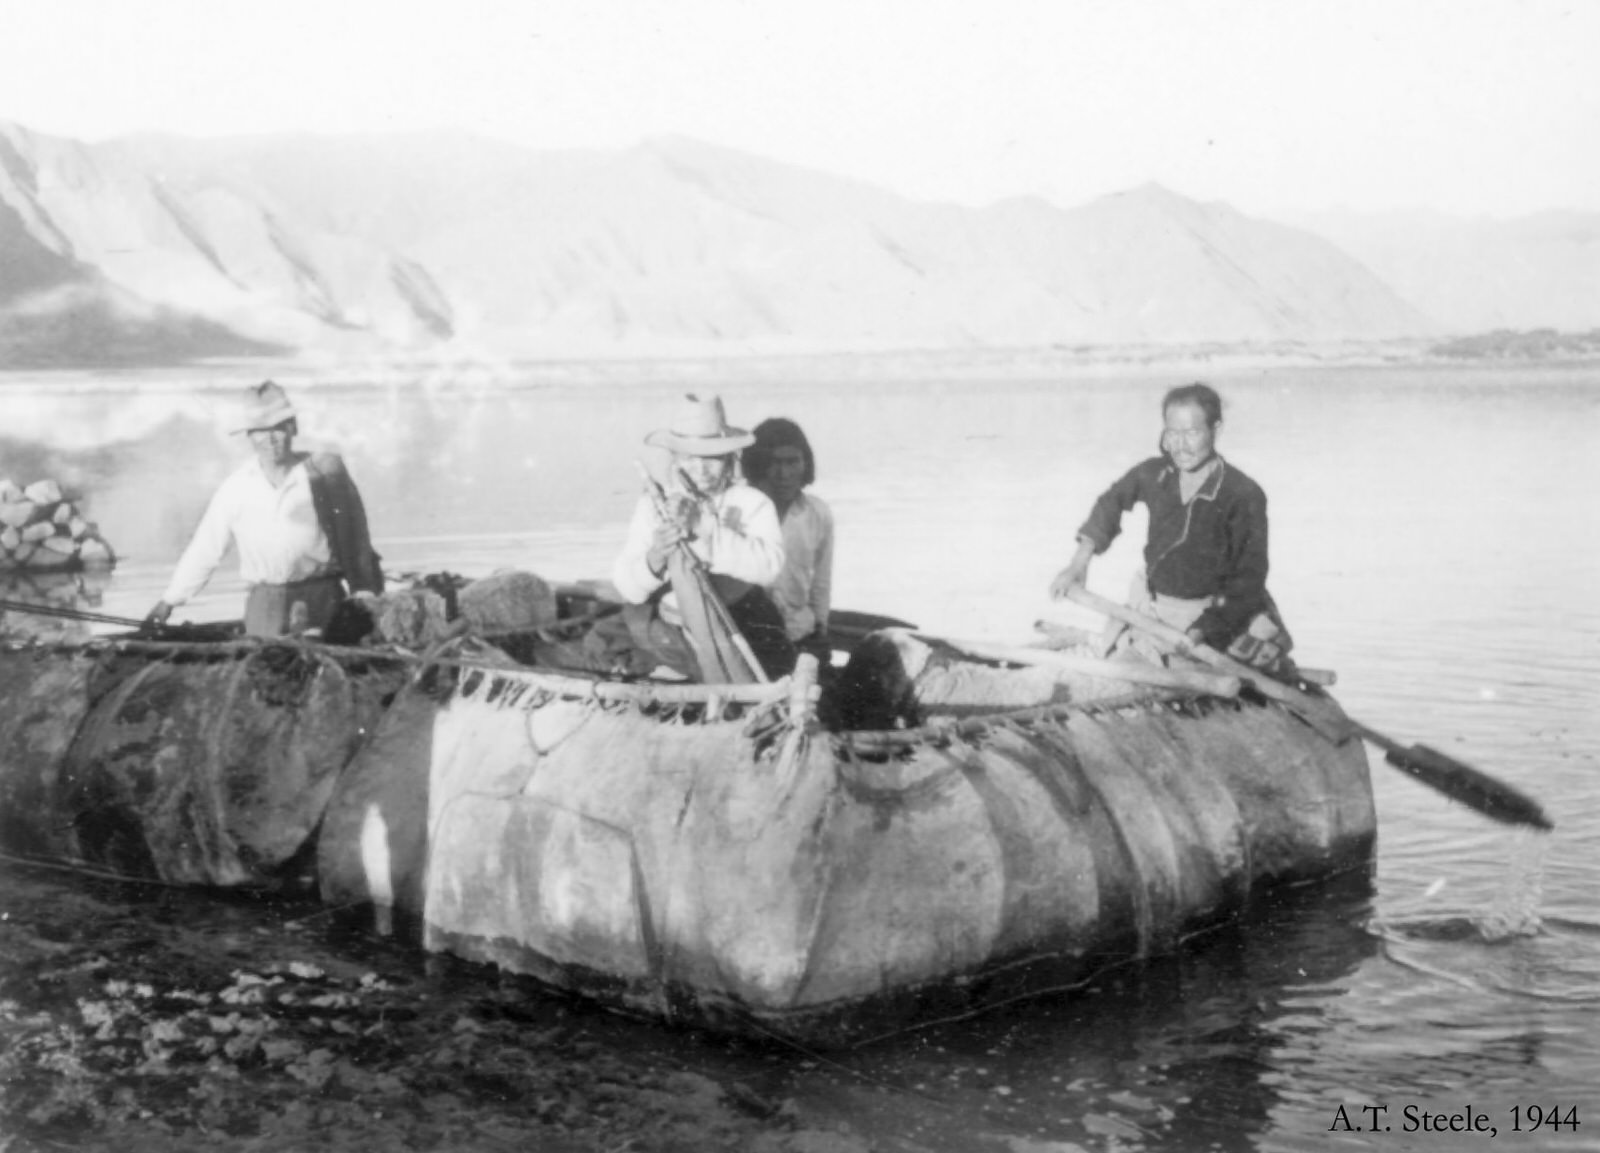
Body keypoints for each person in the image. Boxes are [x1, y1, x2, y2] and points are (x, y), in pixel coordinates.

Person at [1048, 382, 1294, 674]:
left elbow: (1249, 578)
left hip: (1214, 615)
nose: (1180, 445)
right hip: (1153, 609)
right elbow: (1111, 502)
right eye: (1172, 433)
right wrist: (1079, 562)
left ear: (1216, 429)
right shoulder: (1156, 473)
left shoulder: (1242, 493)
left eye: (1191, 433)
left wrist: (1203, 630)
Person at [147, 381, 384, 638]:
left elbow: (356, 538)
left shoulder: (323, 474)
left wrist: (365, 592)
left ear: (293, 428)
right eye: (260, 431)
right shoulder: (236, 488)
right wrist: (169, 601)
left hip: (323, 597)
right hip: (266, 603)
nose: (270, 440)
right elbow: (206, 548)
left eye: (278, 429)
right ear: (249, 436)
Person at [609, 393, 795, 680]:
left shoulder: (752, 502)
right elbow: (628, 588)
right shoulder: (653, 505)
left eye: (712, 460)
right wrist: (656, 556)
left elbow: (769, 567)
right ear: (675, 459)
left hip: (742, 619)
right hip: (672, 628)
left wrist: (703, 529)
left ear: (730, 458)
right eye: (690, 460)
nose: (701, 470)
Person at [742, 417, 834, 668]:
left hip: (800, 633)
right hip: (749, 637)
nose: (784, 474)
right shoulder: (739, 510)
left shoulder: (817, 513)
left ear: (806, 462)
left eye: (792, 461)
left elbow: (821, 582)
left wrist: (821, 629)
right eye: (774, 463)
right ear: (758, 464)